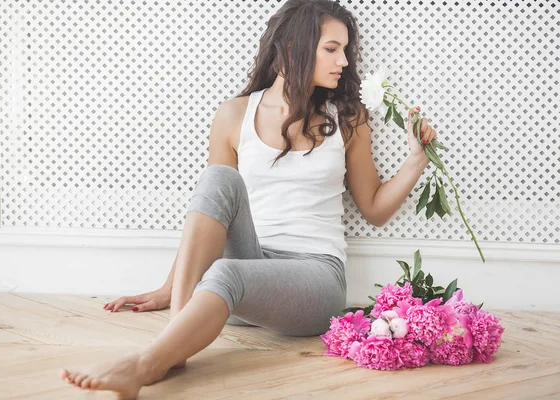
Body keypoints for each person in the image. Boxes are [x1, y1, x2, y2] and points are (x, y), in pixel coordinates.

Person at [60, 0, 438, 397]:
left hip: (313, 279)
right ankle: (176, 334)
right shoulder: (233, 114)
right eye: (331, 48)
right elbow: (209, 213)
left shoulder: (347, 117)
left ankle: (146, 363)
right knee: (219, 178)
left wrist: (416, 159)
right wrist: (172, 285)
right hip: (247, 272)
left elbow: (374, 209)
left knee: (226, 274)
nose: (343, 60)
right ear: (294, 48)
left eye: (345, 49)